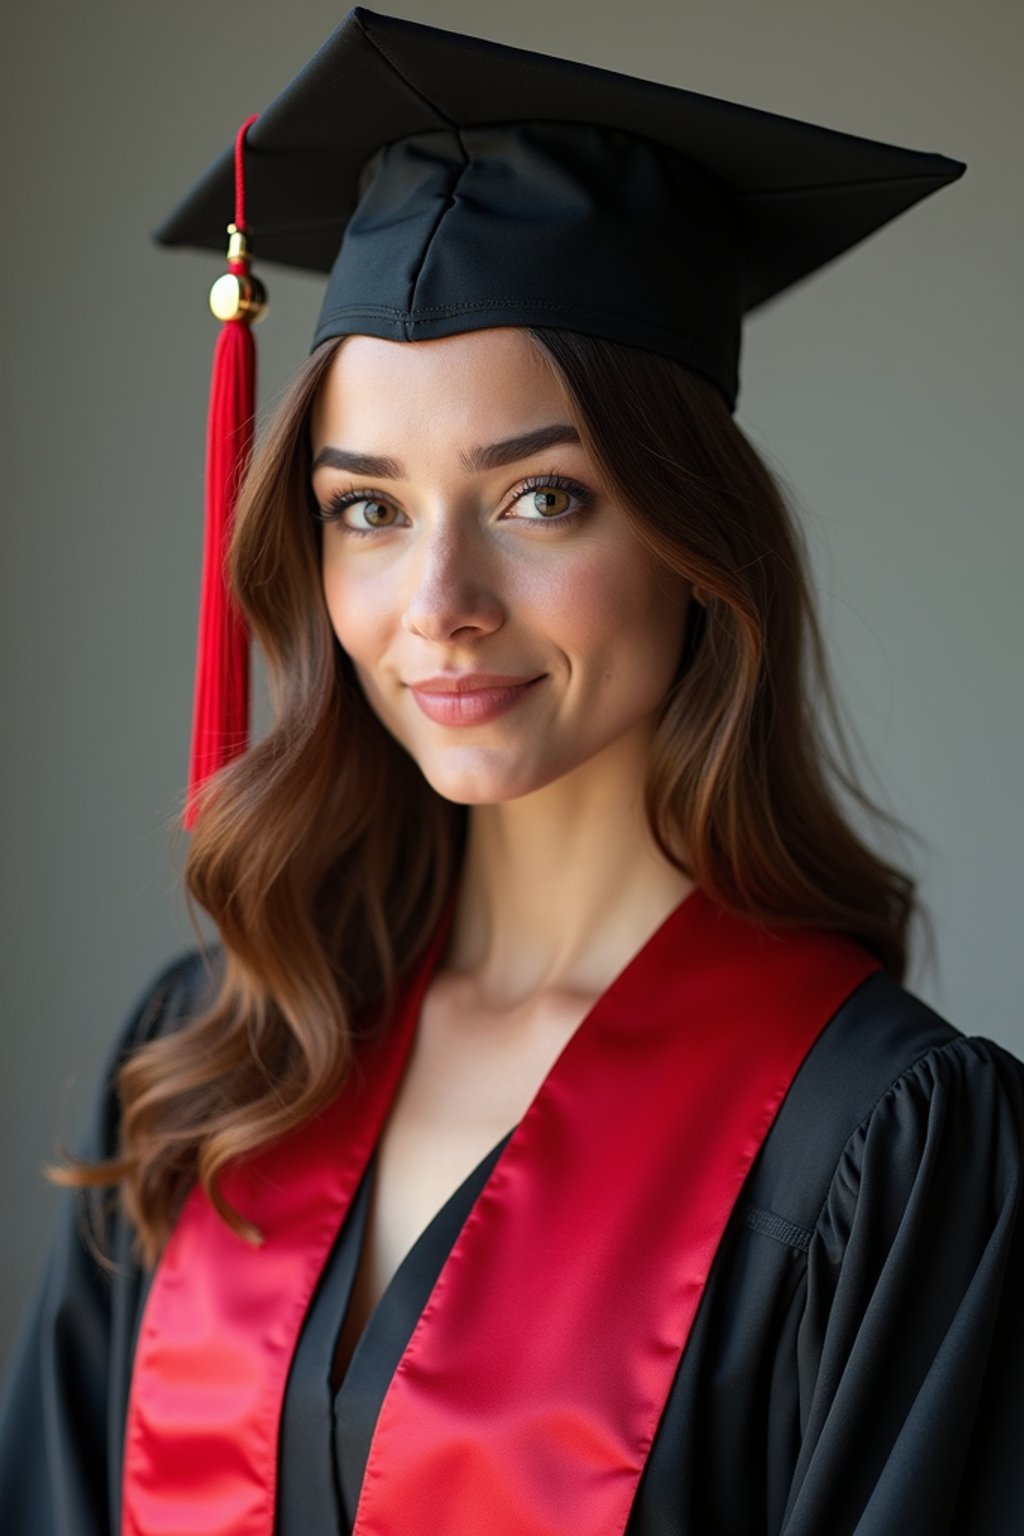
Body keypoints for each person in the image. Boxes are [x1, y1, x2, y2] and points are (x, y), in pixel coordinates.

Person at [1, 8, 1021, 1535]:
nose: (438, 607)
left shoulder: (880, 1146)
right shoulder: (225, 1052)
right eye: (368, 509)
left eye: (541, 497)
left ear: (696, 542)